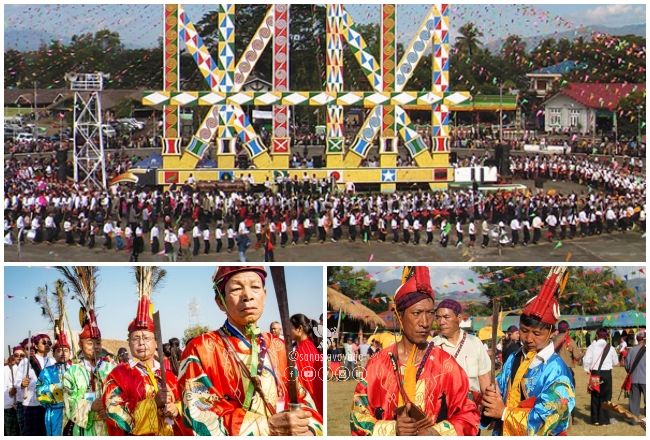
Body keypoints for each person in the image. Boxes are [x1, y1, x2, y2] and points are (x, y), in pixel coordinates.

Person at [178, 266, 323, 435]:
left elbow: (302, 397)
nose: (248, 296)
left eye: (255, 287)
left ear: (265, 294)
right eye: (236, 289)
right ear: (220, 302)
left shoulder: (278, 346)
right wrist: (265, 427)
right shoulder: (201, 349)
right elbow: (198, 415)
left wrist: (308, 429)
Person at [350, 267, 480, 435]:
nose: (425, 322)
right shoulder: (377, 364)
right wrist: (393, 429)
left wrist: (436, 432)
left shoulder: (446, 365)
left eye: (430, 313)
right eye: (417, 313)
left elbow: (469, 415)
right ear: (399, 317)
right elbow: (358, 418)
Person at [481, 266, 576, 435]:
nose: (529, 339)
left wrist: (503, 413)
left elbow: (550, 420)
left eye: (537, 333)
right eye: (524, 331)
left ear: (552, 333)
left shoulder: (558, 370)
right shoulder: (515, 356)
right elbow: (501, 386)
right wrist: (492, 393)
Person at [103, 271, 189, 435]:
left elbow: (185, 403)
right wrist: (153, 403)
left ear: (156, 342)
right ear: (128, 342)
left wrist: (176, 409)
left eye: (146, 338)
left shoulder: (169, 373)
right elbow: (113, 412)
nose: (141, 342)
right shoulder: (118, 374)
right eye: (136, 338)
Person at [62, 293, 115, 435]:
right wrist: (91, 406)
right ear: (80, 344)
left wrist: (112, 411)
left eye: (98, 343)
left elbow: (121, 397)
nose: (95, 347)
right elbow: (68, 403)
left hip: (108, 427)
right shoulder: (71, 372)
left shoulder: (112, 369)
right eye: (90, 343)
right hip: (83, 430)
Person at [432, 298, 491, 401]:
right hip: (442, 405)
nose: (441, 322)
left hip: (471, 405)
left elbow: (484, 378)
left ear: (458, 318)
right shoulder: (432, 346)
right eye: (438, 318)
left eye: (446, 317)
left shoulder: (475, 343)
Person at [36, 324, 72, 436]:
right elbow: (40, 393)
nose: (63, 353)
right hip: (55, 413)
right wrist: (60, 388)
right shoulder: (47, 371)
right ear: (54, 354)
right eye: (59, 350)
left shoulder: (76, 370)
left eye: (65, 350)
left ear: (70, 353)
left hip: (75, 413)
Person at [14, 334, 54, 436]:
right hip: (32, 405)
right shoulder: (26, 361)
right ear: (35, 346)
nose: (47, 345)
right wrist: (22, 384)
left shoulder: (52, 361)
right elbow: (17, 382)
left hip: (49, 404)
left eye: (49, 343)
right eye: (44, 342)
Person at [582, 328, 619, 425]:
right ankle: (604, 419)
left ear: (597, 335)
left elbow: (586, 360)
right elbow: (615, 362)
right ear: (606, 336)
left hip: (595, 373)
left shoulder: (592, 347)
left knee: (595, 395)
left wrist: (587, 369)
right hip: (606, 374)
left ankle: (595, 420)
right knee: (606, 396)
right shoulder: (610, 348)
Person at [290, 313, 324, 416]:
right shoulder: (310, 345)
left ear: (299, 329)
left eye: (289, 328)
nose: (286, 331)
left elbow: (307, 384)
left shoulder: (302, 351)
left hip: (312, 403)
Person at [624, 332, 645, 418]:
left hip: (634, 378)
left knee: (634, 400)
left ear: (637, 339)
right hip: (646, 378)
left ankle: (633, 418)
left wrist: (630, 372)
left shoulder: (631, 350)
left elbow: (626, 365)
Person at [4, 348, 24, 436]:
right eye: (16, 355)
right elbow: (10, 392)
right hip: (11, 408)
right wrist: (14, 388)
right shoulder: (9, 370)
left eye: (22, 355)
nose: (19, 357)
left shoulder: (30, 368)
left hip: (27, 407)